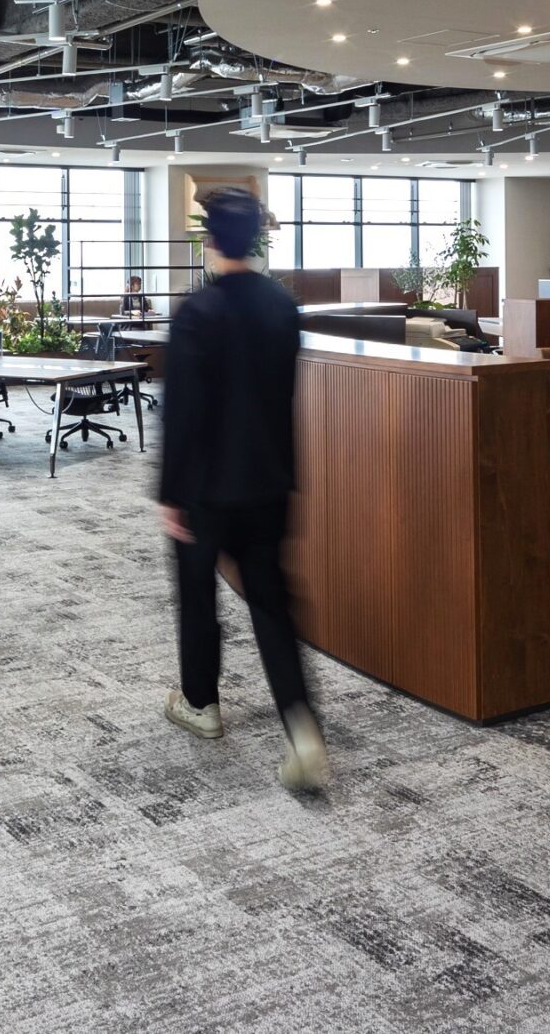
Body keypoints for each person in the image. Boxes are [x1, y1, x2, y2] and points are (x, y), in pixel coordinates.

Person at [156, 185, 328, 792]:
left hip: (204, 487)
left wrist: (170, 494)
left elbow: (182, 413)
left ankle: (201, 702)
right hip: (268, 481)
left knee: (198, 595)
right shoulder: (282, 307)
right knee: (272, 605)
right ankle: (300, 726)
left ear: (209, 241)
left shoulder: (197, 312)